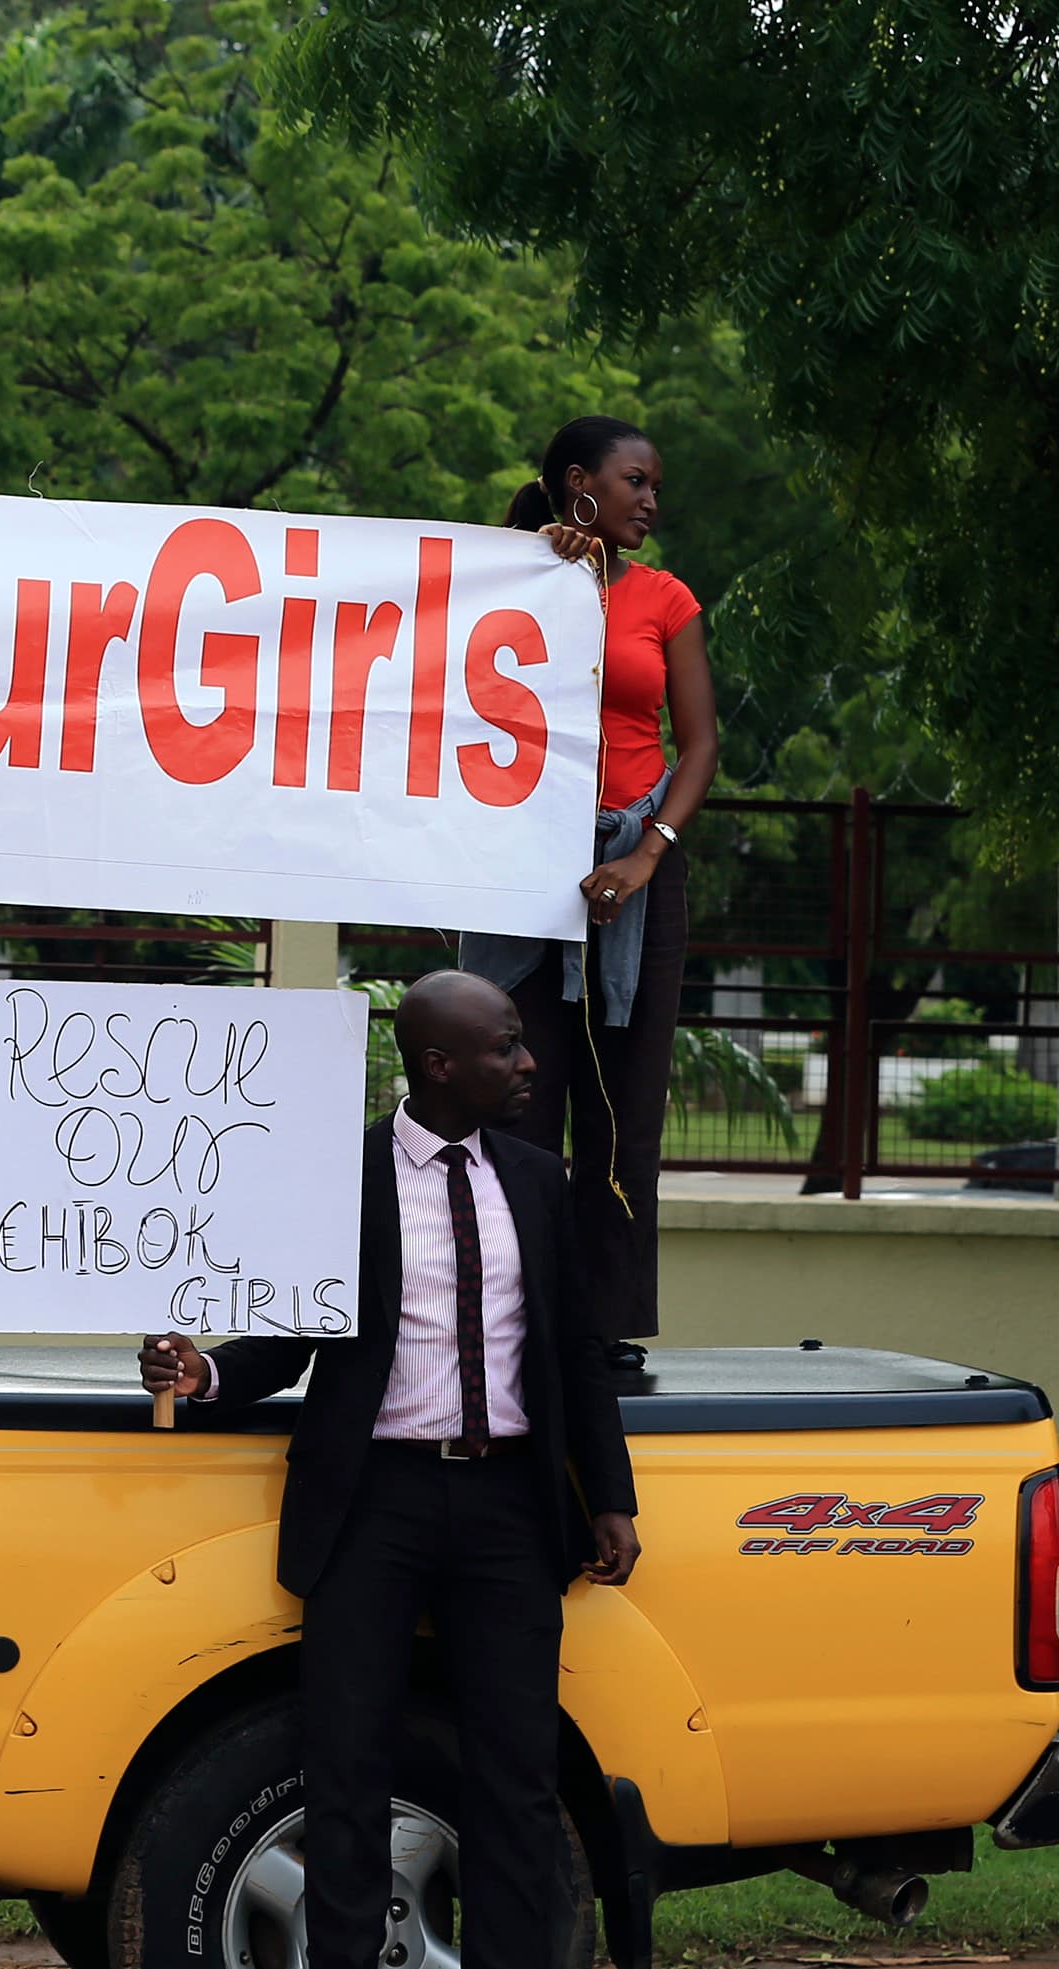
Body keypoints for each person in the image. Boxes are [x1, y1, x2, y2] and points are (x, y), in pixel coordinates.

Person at [139, 970, 641, 1969]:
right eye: (506, 1048)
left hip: (510, 1507)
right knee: (348, 1766)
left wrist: (606, 1496)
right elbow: (290, 1337)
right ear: (437, 1065)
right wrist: (204, 1370)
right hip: (375, 1506)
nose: (527, 1064)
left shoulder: (536, 1179)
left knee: (514, 1775)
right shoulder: (344, 1180)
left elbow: (573, 1352)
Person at [458, 415, 719, 1366]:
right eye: (637, 482)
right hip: (521, 866)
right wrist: (534, 560)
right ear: (581, 484)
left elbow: (701, 748)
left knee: (623, 1111)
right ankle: (505, 1315)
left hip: (637, 876)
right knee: (516, 1100)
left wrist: (646, 855)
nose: (652, 501)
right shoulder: (513, 575)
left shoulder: (667, 599)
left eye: (656, 486)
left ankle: (600, 1326)